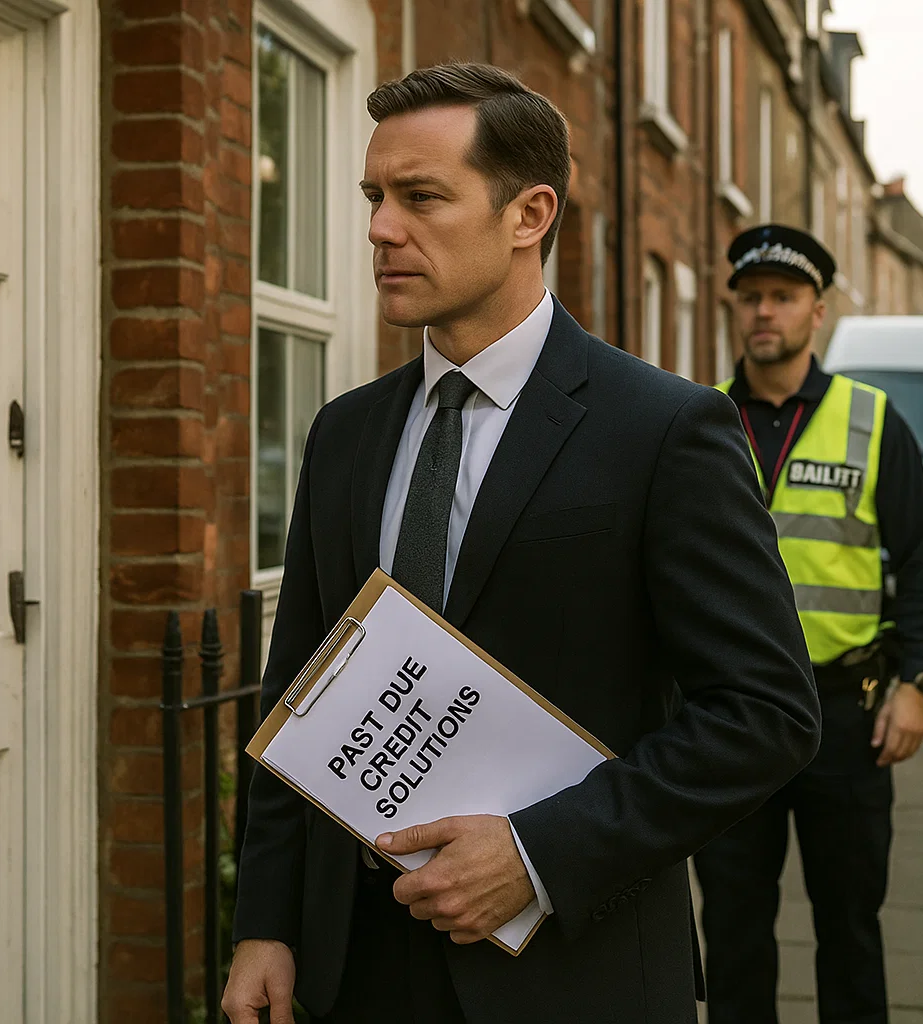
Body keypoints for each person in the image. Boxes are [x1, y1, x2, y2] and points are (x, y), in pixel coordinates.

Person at [221, 65, 822, 1024]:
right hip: (353, 970)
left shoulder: (665, 429)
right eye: (376, 198)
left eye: (421, 197)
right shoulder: (345, 431)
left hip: (570, 971)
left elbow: (766, 713)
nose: (380, 228)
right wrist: (265, 924)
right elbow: (301, 690)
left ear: (529, 213)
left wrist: (539, 854)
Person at [695, 224, 923, 1024]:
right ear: (736, 309)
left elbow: (922, 565)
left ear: (818, 312)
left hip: (846, 714)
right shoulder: (694, 422)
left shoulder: (874, 422)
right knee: (732, 930)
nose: (764, 311)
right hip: (727, 716)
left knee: (851, 926)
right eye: (752, 297)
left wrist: (917, 684)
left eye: (784, 297)